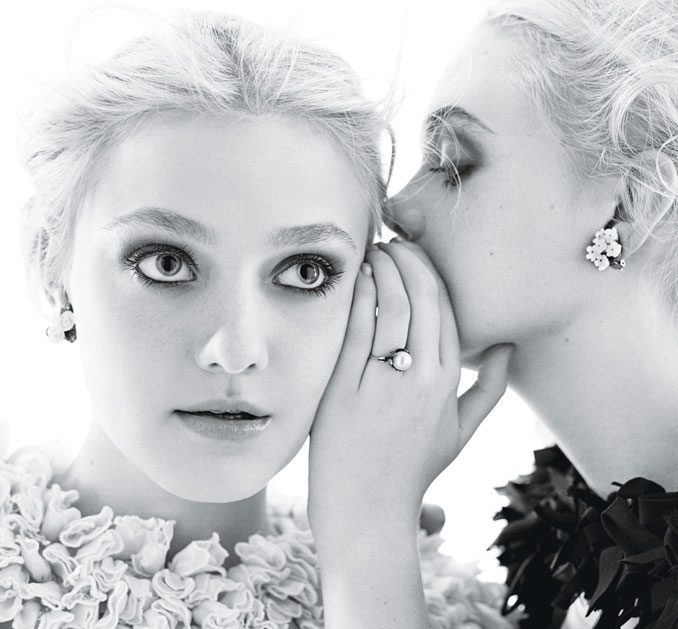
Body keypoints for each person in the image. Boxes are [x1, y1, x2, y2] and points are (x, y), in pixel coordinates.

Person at [2, 11, 515, 629]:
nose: (236, 349)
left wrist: (371, 547)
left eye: (304, 272)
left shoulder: (452, 609)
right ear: (51, 268)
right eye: (167, 264)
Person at [384, 0, 678, 626]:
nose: (395, 206)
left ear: (633, 206)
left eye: (453, 163)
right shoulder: (556, 554)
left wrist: (368, 538)